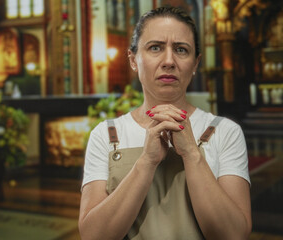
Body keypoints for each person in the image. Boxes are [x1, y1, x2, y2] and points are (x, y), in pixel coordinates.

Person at [79, 6, 251, 240]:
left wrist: (192, 153)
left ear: (195, 64)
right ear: (133, 59)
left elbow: (233, 235)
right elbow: (93, 236)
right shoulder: (107, 134)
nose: (169, 61)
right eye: (155, 48)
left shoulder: (225, 132)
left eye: (181, 50)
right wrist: (147, 162)